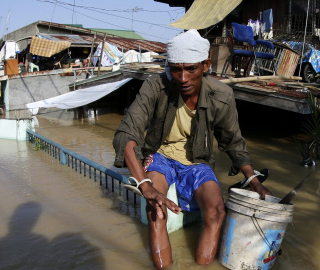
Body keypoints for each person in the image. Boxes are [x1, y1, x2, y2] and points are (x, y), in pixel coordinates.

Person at [113, 29, 272, 269]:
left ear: (206, 65)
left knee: (217, 211)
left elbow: (232, 141)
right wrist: (145, 185)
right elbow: (127, 135)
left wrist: (253, 178)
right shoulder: (155, 87)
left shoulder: (222, 95)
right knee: (156, 209)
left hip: (198, 161)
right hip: (161, 156)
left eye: (191, 69)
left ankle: (202, 266)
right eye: (176, 69)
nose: (183, 77)